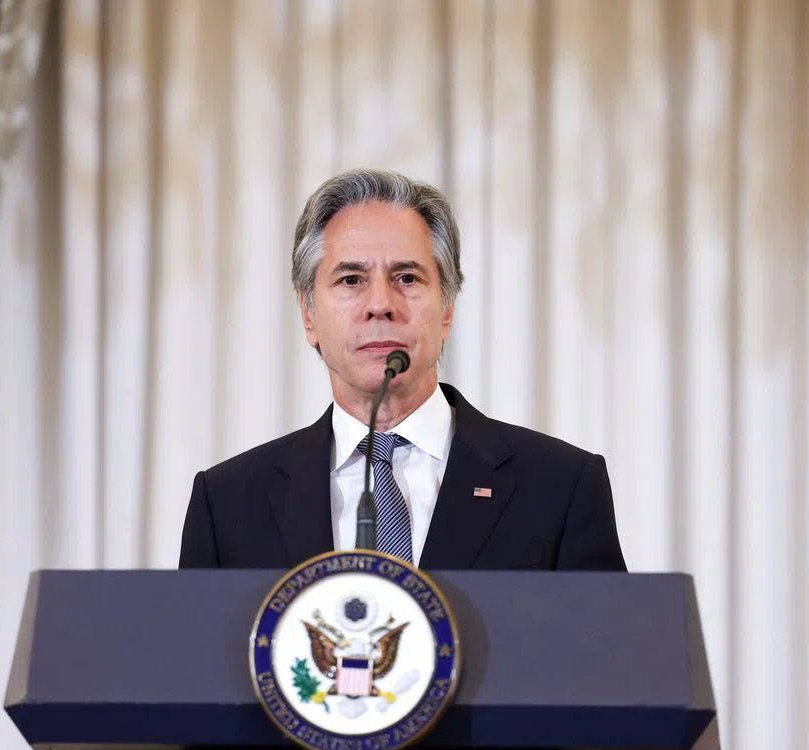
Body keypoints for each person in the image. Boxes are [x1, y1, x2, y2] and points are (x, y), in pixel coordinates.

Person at [179, 168, 626, 572]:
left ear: (447, 307)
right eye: (351, 280)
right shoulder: (228, 505)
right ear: (308, 313)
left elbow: (607, 656)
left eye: (407, 278)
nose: (380, 305)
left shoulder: (560, 488)